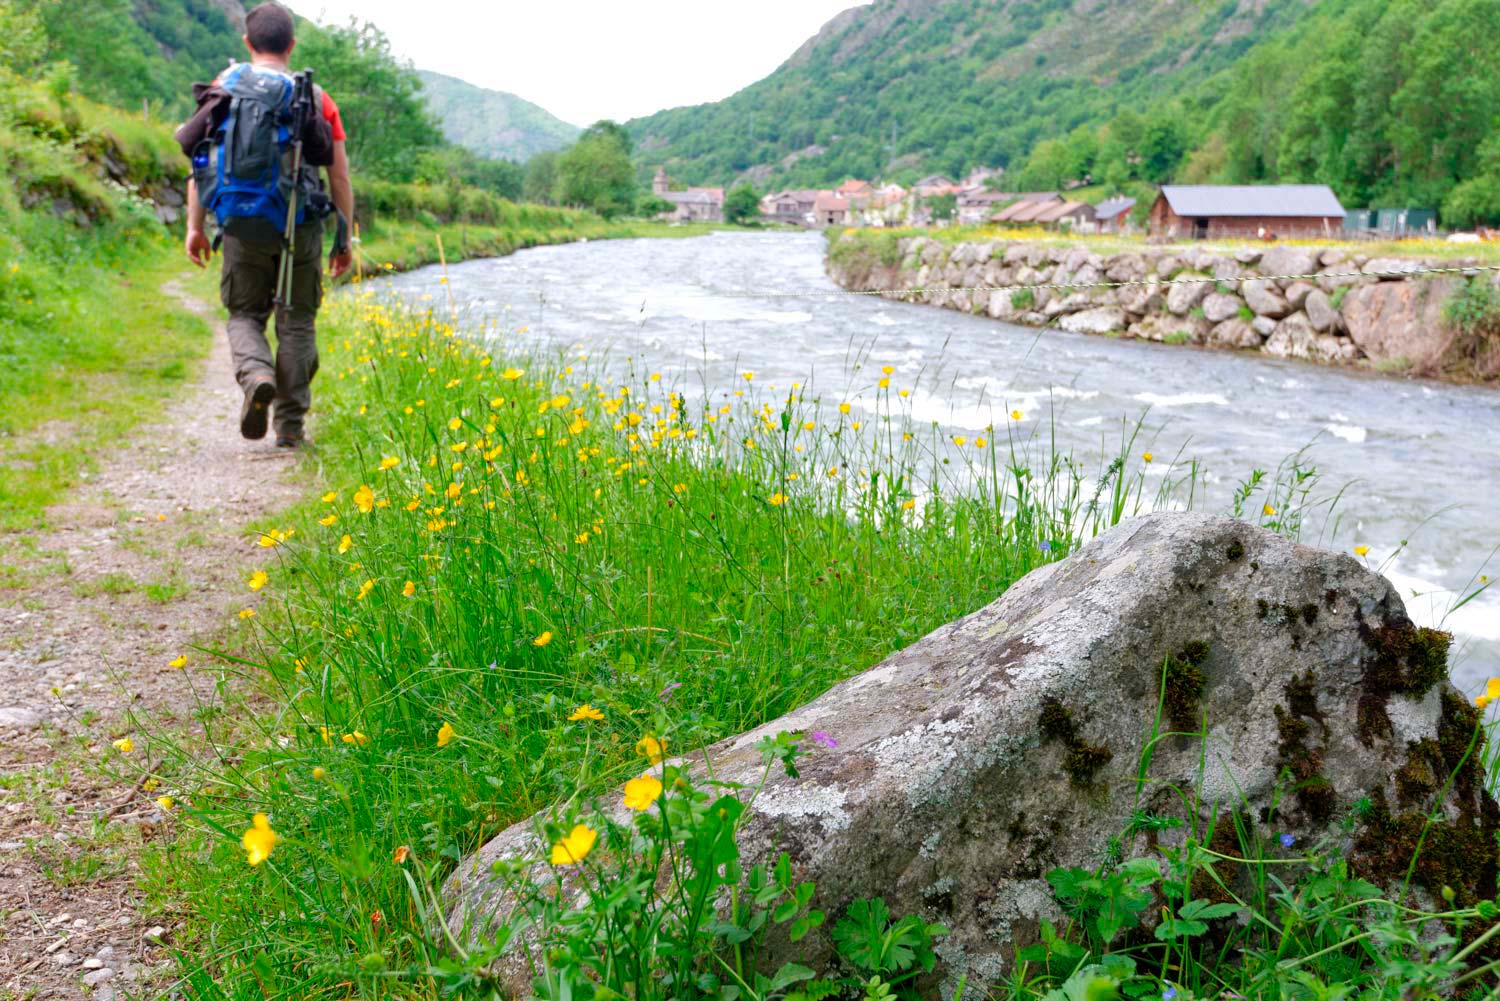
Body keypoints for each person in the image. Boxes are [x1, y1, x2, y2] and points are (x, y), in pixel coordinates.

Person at [180, 2, 354, 448]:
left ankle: (256, 373)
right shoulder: (315, 97)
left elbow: (203, 163)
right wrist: (344, 238)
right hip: (298, 224)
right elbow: (338, 176)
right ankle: (290, 427)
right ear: (292, 45)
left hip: (240, 222)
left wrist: (194, 227)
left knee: (243, 313)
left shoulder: (225, 88)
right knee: (296, 321)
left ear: (247, 43)